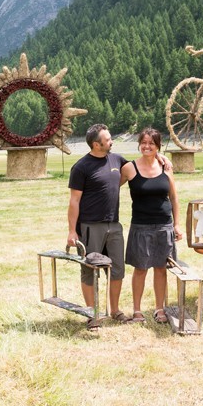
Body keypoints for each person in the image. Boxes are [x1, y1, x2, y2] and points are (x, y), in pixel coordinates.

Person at [67, 124, 130, 328]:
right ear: (96, 144)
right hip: (89, 226)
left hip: (114, 225)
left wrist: (161, 159)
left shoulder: (117, 159)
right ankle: (92, 314)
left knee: (117, 269)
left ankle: (115, 310)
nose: (112, 141)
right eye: (108, 139)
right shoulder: (81, 167)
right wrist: (72, 231)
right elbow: (74, 201)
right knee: (90, 270)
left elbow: (137, 167)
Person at [120, 127, 182, 324]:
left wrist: (177, 225)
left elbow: (174, 198)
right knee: (140, 269)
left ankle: (159, 309)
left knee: (161, 268)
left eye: (152, 143)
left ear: (158, 146)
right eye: (144, 143)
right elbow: (110, 187)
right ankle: (137, 310)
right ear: (139, 144)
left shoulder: (166, 167)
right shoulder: (129, 168)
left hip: (164, 225)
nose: (147, 146)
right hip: (141, 226)